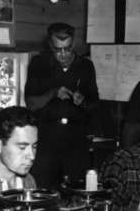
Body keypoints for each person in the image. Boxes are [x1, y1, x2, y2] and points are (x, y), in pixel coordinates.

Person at [25, 22, 99, 189]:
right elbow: (31, 104)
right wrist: (52, 93)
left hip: (76, 138)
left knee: (77, 189)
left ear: (73, 44)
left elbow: (94, 105)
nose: (63, 54)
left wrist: (83, 102)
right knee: (43, 189)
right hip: (46, 137)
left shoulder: (86, 66)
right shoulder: (38, 64)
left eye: (67, 48)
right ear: (50, 46)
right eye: (58, 50)